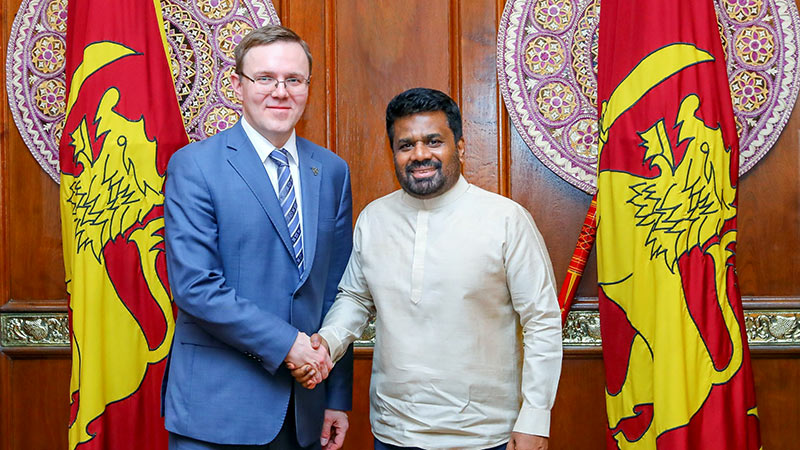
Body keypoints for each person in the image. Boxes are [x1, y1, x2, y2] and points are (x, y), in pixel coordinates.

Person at [294, 87, 563, 450]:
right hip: (393, 433)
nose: (420, 155)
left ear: (461, 148)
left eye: (433, 141)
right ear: (394, 153)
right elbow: (356, 299)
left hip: (485, 436)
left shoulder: (506, 220)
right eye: (406, 145)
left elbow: (542, 321)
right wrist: (327, 342)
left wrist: (535, 417)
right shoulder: (375, 219)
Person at [162, 25, 353, 450]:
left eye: (293, 80)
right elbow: (195, 286)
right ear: (237, 85)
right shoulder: (195, 166)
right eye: (265, 78)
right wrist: (289, 345)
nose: (280, 92)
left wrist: (336, 396)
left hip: (305, 407)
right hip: (217, 409)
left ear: (307, 86)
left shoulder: (332, 171)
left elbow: (336, 291)